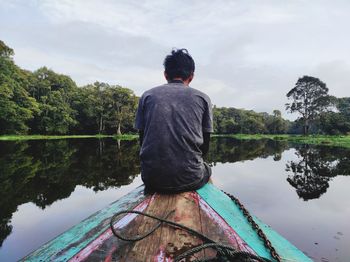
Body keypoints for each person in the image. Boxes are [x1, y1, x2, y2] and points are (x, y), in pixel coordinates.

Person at [135, 48, 213, 193]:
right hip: (191, 179)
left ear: (165, 75)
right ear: (191, 76)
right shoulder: (202, 98)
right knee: (208, 169)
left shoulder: (147, 96)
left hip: (151, 178)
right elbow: (205, 148)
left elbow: (142, 140)